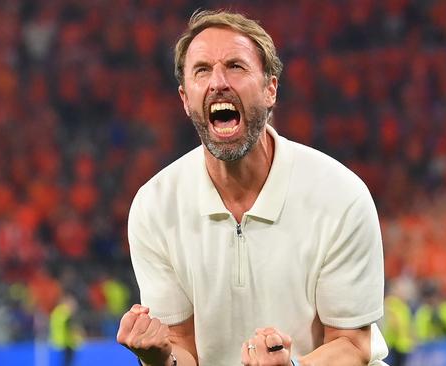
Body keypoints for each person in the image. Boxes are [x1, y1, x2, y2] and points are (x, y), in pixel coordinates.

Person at [116, 9, 387, 366]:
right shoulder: (155, 206)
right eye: (202, 70)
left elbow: (353, 344)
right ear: (185, 98)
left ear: (270, 89)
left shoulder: (340, 195)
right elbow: (182, 346)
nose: (218, 83)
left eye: (235, 66)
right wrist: (159, 359)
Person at [49, 293, 83, 366]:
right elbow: (71, 328)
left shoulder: (56, 312)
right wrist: (77, 338)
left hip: (56, 343)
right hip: (67, 344)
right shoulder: (67, 313)